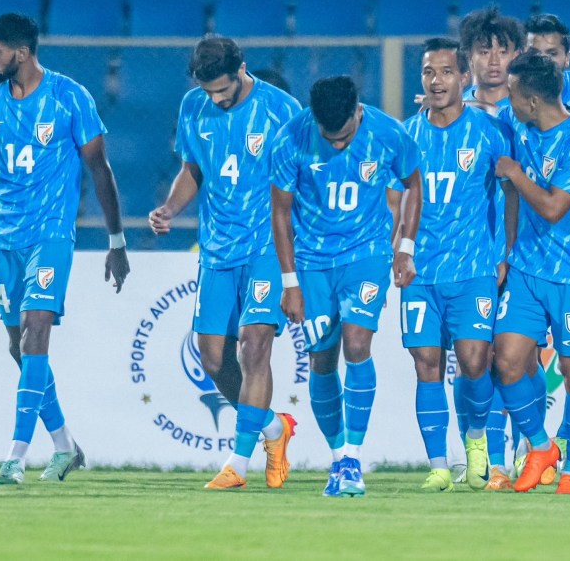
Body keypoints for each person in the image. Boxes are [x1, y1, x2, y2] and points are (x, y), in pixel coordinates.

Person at [0, 13, 130, 485]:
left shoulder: (69, 97)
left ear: (22, 52)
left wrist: (116, 241)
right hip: (7, 239)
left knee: (37, 334)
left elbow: (100, 169)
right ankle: (65, 446)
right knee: (20, 348)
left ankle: (14, 458)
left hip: (52, 234)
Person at [148, 35, 301, 490]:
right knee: (212, 356)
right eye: (209, 90)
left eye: (223, 90)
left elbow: (303, 182)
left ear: (242, 70)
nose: (216, 99)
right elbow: (192, 169)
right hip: (217, 249)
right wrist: (170, 209)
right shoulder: (193, 107)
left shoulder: (282, 111)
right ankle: (274, 428)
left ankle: (239, 462)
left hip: (266, 248)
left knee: (254, 346)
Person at [271, 75, 422, 497]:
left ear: (359, 110)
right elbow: (280, 214)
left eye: (345, 136)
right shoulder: (290, 139)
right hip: (313, 264)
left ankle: (354, 457)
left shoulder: (388, 133)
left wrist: (404, 247)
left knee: (357, 345)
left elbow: (413, 183)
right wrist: (289, 283)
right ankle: (337, 458)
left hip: (367, 255)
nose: (337, 145)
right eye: (329, 137)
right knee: (321, 359)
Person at [492, 51, 570, 495]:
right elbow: (483, 115)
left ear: (533, 100)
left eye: (513, 94)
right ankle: (541, 446)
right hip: (525, 269)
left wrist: (517, 175)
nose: (508, 102)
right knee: (507, 361)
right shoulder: (517, 123)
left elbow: (556, 208)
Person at [401, 38, 508, 492]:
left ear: (464, 78)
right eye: (428, 72)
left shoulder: (487, 130)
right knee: (426, 362)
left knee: (474, 361)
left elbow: (507, 196)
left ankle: (478, 438)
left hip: (473, 268)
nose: (436, 81)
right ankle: (440, 465)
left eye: (446, 72)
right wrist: (400, 250)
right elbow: (397, 199)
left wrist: (503, 254)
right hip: (421, 271)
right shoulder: (407, 134)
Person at [457, 5, 548, 491]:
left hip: (520, 253)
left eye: (503, 49)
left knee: (518, 357)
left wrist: (509, 252)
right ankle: (487, 455)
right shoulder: (447, 112)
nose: (493, 59)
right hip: (461, 257)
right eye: (482, 49)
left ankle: (527, 445)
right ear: (467, 57)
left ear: (518, 55)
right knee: (474, 355)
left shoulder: (524, 116)